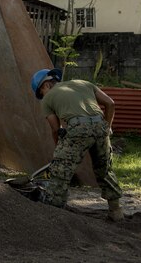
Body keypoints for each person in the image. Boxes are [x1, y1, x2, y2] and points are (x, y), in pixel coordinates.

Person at [31, 68, 124, 221]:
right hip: (100, 126)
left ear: (44, 86)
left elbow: (55, 129)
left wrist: (58, 150)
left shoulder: (48, 99)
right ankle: (116, 211)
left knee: (60, 170)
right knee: (104, 170)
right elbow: (110, 103)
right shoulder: (84, 83)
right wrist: (107, 127)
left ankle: (53, 212)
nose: (42, 97)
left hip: (78, 128)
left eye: (40, 94)